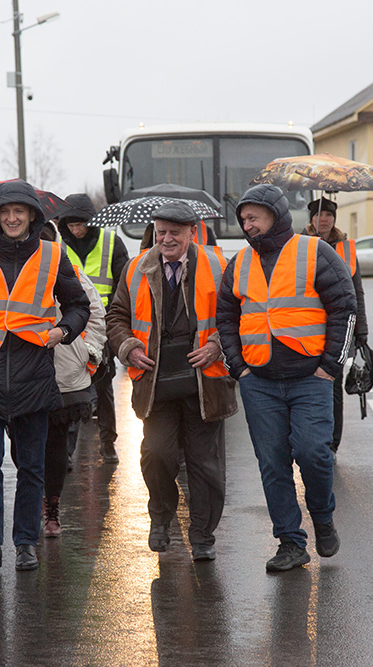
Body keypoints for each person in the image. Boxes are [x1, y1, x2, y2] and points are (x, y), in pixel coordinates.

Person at [0, 180, 90, 575]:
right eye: (5, 212)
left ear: (31, 215)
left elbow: (78, 305)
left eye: (19, 211)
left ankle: (25, 543)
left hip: (34, 375)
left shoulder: (52, 254)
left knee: (31, 465)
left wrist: (62, 332)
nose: (12, 218)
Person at [216, 184, 357, 572]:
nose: (247, 225)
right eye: (243, 219)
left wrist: (330, 366)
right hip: (259, 381)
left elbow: (345, 307)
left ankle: (323, 517)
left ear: (275, 215)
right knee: (272, 462)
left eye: (253, 217)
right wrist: (239, 368)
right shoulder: (239, 263)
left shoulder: (315, 252)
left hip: (310, 377)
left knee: (314, 451)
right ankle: (290, 542)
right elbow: (225, 317)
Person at [106, 200, 237, 562]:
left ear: (192, 233)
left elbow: (237, 313)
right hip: (156, 382)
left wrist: (216, 345)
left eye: (174, 233)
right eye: (160, 232)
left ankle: (202, 535)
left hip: (205, 382)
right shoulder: (136, 268)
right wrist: (128, 347)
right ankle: (161, 518)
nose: (166, 239)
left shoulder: (218, 264)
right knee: (157, 453)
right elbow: (116, 315)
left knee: (204, 463)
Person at [37, 221, 106, 536]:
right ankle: (34, 501)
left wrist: (87, 354)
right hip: (19, 372)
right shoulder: (9, 277)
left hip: (65, 373)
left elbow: (95, 315)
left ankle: (51, 507)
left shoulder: (73, 276)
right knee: (25, 446)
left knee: (55, 445)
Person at [58, 193, 130, 464]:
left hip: (104, 326)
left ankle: (108, 443)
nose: (76, 230)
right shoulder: (60, 248)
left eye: (81, 224)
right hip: (72, 326)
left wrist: (110, 325)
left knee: (103, 386)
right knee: (73, 390)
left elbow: (123, 288)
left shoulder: (112, 243)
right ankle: (66, 452)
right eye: (71, 225)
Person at [303, 197, 368, 459]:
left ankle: (331, 443)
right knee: (307, 384)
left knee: (332, 383)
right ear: (311, 219)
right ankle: (309, 438)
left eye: (329, 215)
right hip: (307, 327)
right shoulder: (299, 244)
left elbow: (357, 292)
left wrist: (361, 331)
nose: (324, 220)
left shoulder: (346, 248)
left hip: (339, 327)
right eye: (319, 215)